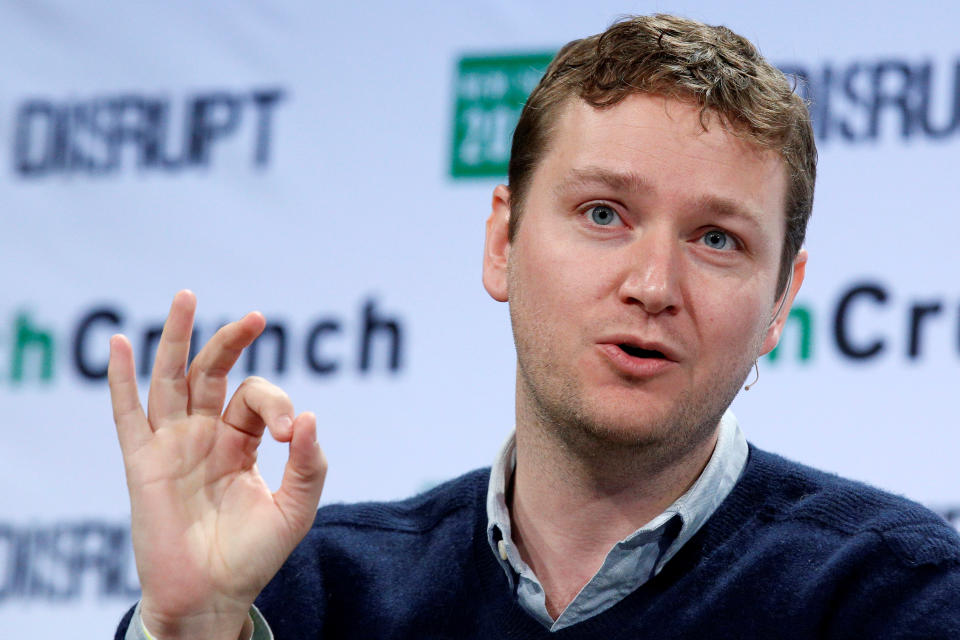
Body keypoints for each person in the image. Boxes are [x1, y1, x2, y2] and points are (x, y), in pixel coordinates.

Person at [112, 14, 960, 640]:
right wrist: (188, 627)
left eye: (717, 239)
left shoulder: (893, 595)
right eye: (603, 213)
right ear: (502, 242)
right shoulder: (299, 593)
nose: (653, 285)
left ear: (781, 301)